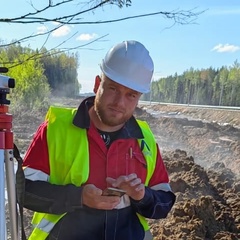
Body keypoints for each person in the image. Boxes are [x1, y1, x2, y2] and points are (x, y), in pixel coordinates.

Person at [23, 40, 176, 240]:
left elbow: (164, 203)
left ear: (139, 98)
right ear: (97, 84)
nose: (119, 103)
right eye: (113, 89)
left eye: (131, 95)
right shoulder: (55, 129)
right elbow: (24, 191)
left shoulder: (144, 140)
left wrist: (141, 195)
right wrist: (78, 197)